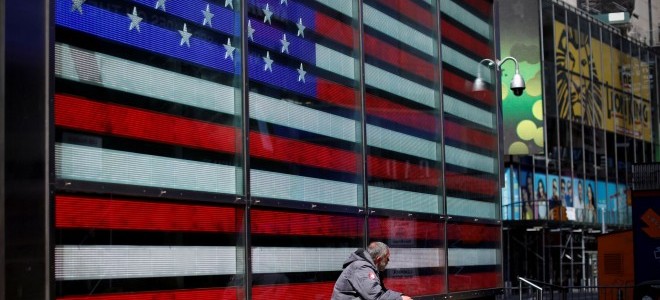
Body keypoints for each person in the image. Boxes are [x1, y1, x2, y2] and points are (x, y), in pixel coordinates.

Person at [332, 242, 413, 300]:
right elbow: (375, 297)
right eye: (387, 258)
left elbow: (381, 291)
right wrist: (399, 298)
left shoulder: (369, 267)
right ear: (379, 258)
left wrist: (400, 296)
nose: (389, 260)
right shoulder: (361, 268)